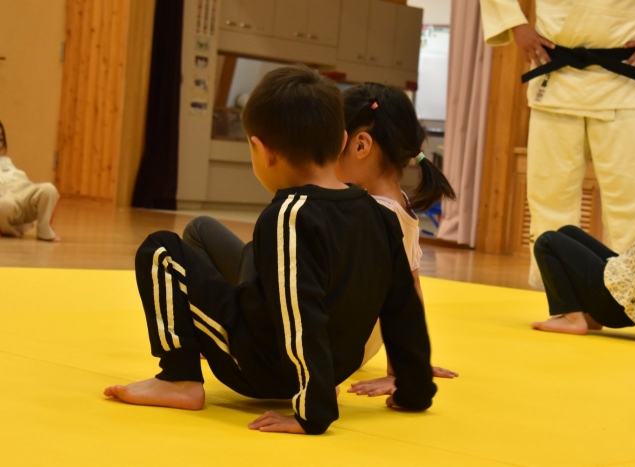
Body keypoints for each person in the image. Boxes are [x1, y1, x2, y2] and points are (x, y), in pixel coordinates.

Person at [103, 66, 437, 435]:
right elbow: (403, 308)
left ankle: (178, 377)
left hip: (265, 371)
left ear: (262, 151)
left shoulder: (289, 215)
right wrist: (414, 388)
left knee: (161, 251)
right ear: (341, 140)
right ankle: (315, 384)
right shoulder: (379, 216)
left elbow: (301, 314)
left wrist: (313, 411)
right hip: (334, 368)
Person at [479, 0, 635, 289]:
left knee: (628, 197)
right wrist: (515, 24)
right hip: (554, 76)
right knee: (550, 195)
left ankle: (634, 290)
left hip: (621, 77)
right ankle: (556, 288)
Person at [531, 116, 635, 350]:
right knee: (567, 232)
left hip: (617, 303)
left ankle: (572, 317)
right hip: (626, 290)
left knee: (547, 242)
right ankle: (589, 314)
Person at [334, 83, 459, 397]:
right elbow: (411, 289)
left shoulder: (367, 214)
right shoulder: (399, 206)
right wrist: (407, 364)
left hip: (339, 350)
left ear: (360, 145)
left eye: (333, 142)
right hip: (357, 348)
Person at [0, 121, 60, 242]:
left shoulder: (6, 160)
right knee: (3, 205)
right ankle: (11, 231)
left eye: (1, 139)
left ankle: (44, 230)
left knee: (49, 188)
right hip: (6, 199)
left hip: (26, 192)